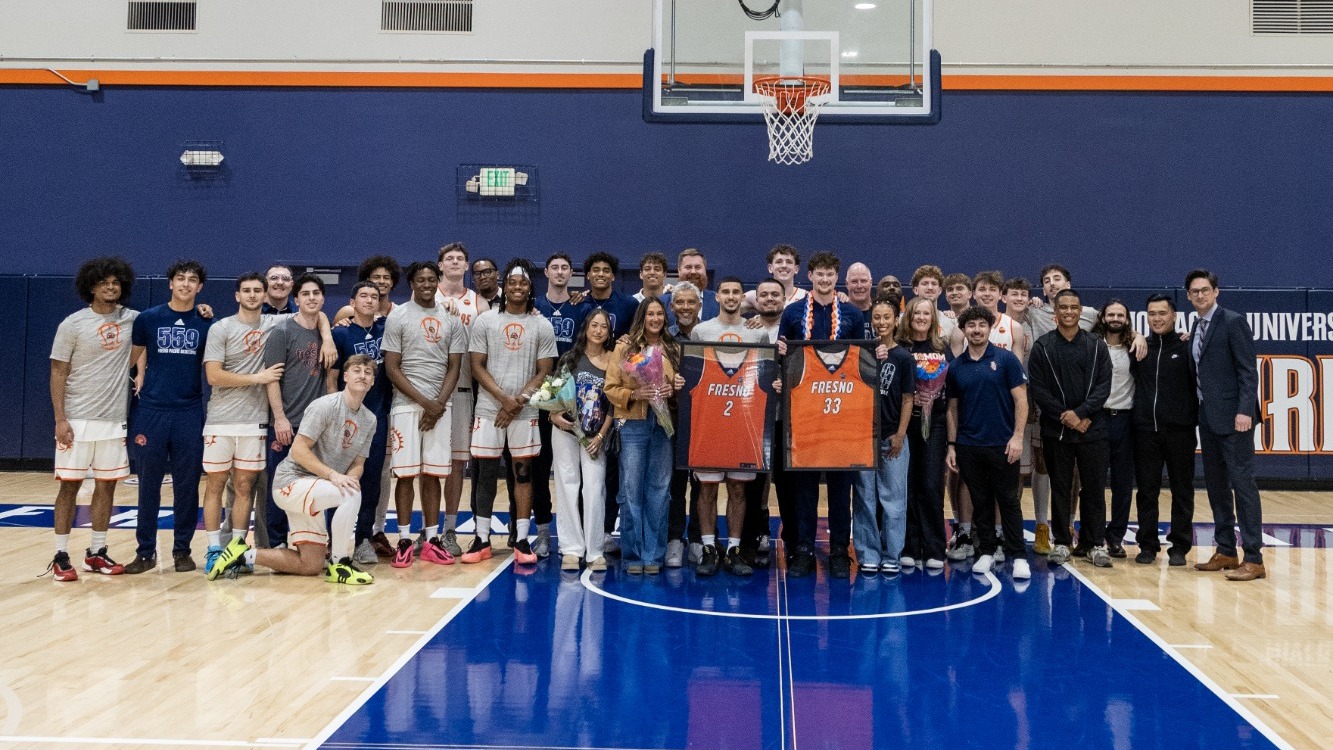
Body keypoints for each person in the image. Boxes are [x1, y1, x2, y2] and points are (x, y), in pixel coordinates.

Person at [211, 354, 379, 585]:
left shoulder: (369, 419)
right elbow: (298, 451)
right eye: (357, 371)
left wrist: (350, 478)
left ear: (373, 381)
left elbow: (358, 463)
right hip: (291, 481)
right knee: (350, 494)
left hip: (316, 488)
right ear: (345, 376)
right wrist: (334, 476)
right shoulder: (325, 406)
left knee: (310, 565)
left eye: (368, 373)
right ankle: (340, 563)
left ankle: (242, 555)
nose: (362, 376)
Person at [45, 257, 138, 581]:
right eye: (103, 283)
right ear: (91, 287)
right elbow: (58, 372)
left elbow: (165, 318)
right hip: (77, 420)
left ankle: (96, 552)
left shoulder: (132, 320)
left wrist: (203, 311)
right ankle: (60, 555)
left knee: (107, 487)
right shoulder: (72, 324)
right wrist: (60, 419)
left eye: (115, 282)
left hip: (113, 420)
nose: (110, 287)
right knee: (69, 487)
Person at [777, 251, 866, 579]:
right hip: (805, 413)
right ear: (810, 276)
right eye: (820, 274)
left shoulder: (853, 314)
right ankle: (803, 549)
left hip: (842, 413)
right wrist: (780, 354)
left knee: (841, 487)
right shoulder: (793, 312)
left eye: (830, 274)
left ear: (836, 278)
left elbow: (860, 361)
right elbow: (783, 358)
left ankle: (840, 550)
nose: (825, 279)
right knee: (805, 486)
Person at [464, 259, 557, 566]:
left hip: (524, 412)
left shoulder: (541, 325)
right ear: (505, 285)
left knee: (523, 475)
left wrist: (518, 401)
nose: (518, 287)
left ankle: (521, 538)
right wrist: (504, 399)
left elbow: (545, 370)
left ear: (530, 288)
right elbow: (476, 365)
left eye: (524, 283)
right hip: (489, 409)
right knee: (485, 475)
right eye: (513, 282)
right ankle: (482, 538)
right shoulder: (486, 321)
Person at [124, 259, 211, 574]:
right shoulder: (148, 319)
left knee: (187, 486)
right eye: (180, 278)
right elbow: (131, 358)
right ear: (171, 283)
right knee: (148, 485)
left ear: (199, 287)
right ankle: (145, 552)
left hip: (188, 411)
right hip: (152, 411)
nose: (186, 283)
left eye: (192, 279)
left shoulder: (208, 324)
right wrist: (140, 376)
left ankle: (182, 551)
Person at [383, 261, 466, 567]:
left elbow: (454, 367)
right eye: (421, 280)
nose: (427, 284)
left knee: (433, 475)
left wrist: (438, 404)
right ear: (412, 284)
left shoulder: (451, 319)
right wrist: (425, 402)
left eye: (432, 279)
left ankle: (431, 539)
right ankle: (405, 540)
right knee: (405, 475)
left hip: (441, 407)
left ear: (438, 281)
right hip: (406, 406)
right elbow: (392, 368)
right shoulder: (398, 316)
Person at [1187, 269, 1265, 581]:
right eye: (1195, 291)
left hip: (1236, 420)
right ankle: (1226, 550)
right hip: (1207, 417)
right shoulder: (1196, 326)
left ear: (1216, 291)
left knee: (1242, 485)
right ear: (1189, 295)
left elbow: (1248, 371)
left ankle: (1254, 558)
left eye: (1205, 290)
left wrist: (1245, 411)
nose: (1200, 295)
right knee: (1217, 485)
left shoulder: (1233, 321)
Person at [688, 277, 769, 577]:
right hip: (710, 422)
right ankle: (709, 548)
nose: (731, 296)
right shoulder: (702, 331)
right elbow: (693, 373)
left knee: (738, 488)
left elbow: (765, 372)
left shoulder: (757, 331)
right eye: (726, 292)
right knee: (707, 488)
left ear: (742, 298)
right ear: (717, 297)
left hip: (742, 422)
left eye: (736, 292)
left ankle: (734, 549)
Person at [1027, 288, 1114, 568]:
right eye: (1063, 307)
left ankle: (1094, 543)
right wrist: (1067, 416)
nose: (1068, 312)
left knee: (1094, 489)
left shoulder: (1096, 345)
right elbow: (1039, 390)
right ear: (1055, 312)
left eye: (1073, 307)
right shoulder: (1043, 347)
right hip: (1057, 430)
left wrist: (1082, 414)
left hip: (1092, 428)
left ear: (1080, 311)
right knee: (1061, 487)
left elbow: (1104, 386)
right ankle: (1062, 542)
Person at [944, 306, 1031, 579]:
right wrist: (952, 445)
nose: (977, 330)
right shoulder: (956, 367)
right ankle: (987, 552)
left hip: (1003, 444)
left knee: (1008, 501)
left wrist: (1018, 437)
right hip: (969, 446)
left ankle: (1018, 556)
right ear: (963, 330)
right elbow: (952, 409)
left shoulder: (1006, 360)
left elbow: (1021, 401)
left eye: (982, 325)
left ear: (990, 328)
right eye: (971, 326)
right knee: (980, 501)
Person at [604, 297, 682, 575]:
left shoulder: (673, 347)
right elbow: (610, 388)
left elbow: (681, 385)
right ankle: (634, 555)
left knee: (660, 489)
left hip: (663, 424)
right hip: (633, 424)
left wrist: (673, 390)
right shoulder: (625, 347)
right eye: (650, 314)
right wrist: (635, 394)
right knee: (631, 489)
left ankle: (654, 555)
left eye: (659, 314)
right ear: (642, 317)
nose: (655, 319)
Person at [261, 273, 330, 549]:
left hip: (315, 426)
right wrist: (279, 418)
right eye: (305, 294)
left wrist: (328, 336)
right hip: (287, 423)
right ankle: (277, 543)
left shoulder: (326, 332)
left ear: (322, 299)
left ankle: (313, 543)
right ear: (296, 299)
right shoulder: (282, 332)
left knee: (316, 485)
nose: (311, 298)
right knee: (281, 484)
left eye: (316, 293)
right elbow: (271, 379)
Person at [328, 281, 392, 566]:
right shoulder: (340, 333)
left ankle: (364, 538)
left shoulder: (386, 329)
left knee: (371, 479)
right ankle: (334, 541)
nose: (369, 300)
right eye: (363, 296)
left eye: (374, 297)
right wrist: (337, 413)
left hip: (377, 416)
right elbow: (331, 378)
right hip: (347, 418)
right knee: (340, 479)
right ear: (352, 302)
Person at [1132, 293, 1197, 567]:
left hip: (1180, 431)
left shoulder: (1187, 347)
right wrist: (1135, 335)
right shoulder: (1139, 347)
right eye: (1152, 314)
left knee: (1182, 490)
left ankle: (1179, 546)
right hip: (1145, 430)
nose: (1157, 318)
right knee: (1147, 490)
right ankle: (1147, 545)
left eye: (1162, 313)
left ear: (1174, 315)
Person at [533, 251, 590, 557]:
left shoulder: (581, 307)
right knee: (540, 467)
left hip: (573, 396)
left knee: (574, 471)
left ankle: (578, 530)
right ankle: (543, 530)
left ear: (571, 273)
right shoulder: (534, 307)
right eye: (554, 267)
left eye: (564, 268)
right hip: (540, 393)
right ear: (546, 272)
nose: (559, 272)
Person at [853, 295, 914, 575]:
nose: (881, 322)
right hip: (863, 438)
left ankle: (892, 554)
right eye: (876, 317)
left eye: (886, 317)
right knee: (864, 498)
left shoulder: (903, 357)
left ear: (896, 321)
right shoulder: (860, 354)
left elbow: (908, 399)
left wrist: (900, 434)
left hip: (892, 437)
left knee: (894, 500)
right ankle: (868, 553)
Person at [550, 309, 614, 572]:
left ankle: (595, 550)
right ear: (586, 328)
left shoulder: (614, 360)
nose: (598, 331)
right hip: (565, 433)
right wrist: (554, 416)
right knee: (567, 485)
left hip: (595, 437)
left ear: (609, 332)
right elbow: (553, 394)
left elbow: (614, 406)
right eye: (594, 325)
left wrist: (601, 435)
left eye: (604, 327)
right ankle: (571, 548)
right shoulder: (570, 358)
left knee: (595, 489)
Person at [436, 243, 489, 556]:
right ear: (440, 265)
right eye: (449, 259)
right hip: (429, 392)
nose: (455, 262)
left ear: (467, 266)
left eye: (460, 259)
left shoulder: (478, 302)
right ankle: (427, 531)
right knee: (428, 466)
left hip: (463, 390)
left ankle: (449, 530)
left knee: (457, 464)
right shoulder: (425, 297)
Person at [897, 295, 950, 570]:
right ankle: (909, 545)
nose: (921, 318)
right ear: (909, 316)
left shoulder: (942, 348)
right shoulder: (899, 346)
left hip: (935, 423)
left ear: (933, 318)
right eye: (916, 313)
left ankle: (934, 547)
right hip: (905, 425)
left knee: (930, 485)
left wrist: (933, 396)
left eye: (926, 313)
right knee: (907, 485)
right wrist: (910, 398)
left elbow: (951, 388)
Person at [1003, 276, 1053, 555]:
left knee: (1041, 463)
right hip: (1005, 402)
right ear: (1004, 297)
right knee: (1012, 468)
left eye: (1024, 294)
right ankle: (1008, 527)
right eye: (1014, 294)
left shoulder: (1034, 319)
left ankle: (1042, 526)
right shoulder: (995, 322)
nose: (1020, 298)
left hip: (1035, 399)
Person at [1094, 299, 1138, 558]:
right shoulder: (1092, 344)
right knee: (1094, 483)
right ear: (1103, 317)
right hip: (1097, 418)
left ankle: (1116, 537)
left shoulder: (1135, 346)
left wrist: (1139, 337)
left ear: (1127, 319)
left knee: (1122, 484)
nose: (1115, 318)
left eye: (1120, 315)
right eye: (1111, 314)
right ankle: (1094, 535)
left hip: (1126, 420)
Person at [666, 281, 704, 565]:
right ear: (672, 306)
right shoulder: (664, 338)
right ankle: (675, 539)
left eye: (691, 302)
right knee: (675, 485)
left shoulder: (711, 334)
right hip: (674, 421)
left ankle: (699, 539)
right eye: (680, 302)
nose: (686, 307)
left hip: (706, 421)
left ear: (700, 305)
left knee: (703, 485)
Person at [583, 252, 638, 339]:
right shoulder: (580, 303)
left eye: (606, 271)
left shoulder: (629, 304)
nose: (601, 274)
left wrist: (629, 339)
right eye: (596, 270)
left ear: (612, 276)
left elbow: (637, 336)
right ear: (588, 275)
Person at [333, 255, 401, 325]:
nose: (382, 281)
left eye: (386, 278)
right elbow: (334, 331)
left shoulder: (400, 313)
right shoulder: (348, 312)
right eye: (376, 277)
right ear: (367, 280)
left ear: (392, 282)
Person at [742, 244, 807, 313]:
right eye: (779, 262)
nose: (784, 265)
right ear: (770, 268)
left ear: (796, 269)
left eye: (789, 262)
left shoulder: (806, 297)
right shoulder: (754, 296)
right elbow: (733, 307)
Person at [669, 248, 719, 321]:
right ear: (679, 270)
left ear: (705, 270)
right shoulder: (664, 302)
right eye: (688, 267)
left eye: (698, 267)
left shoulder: (718, 302)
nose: (693, 272)